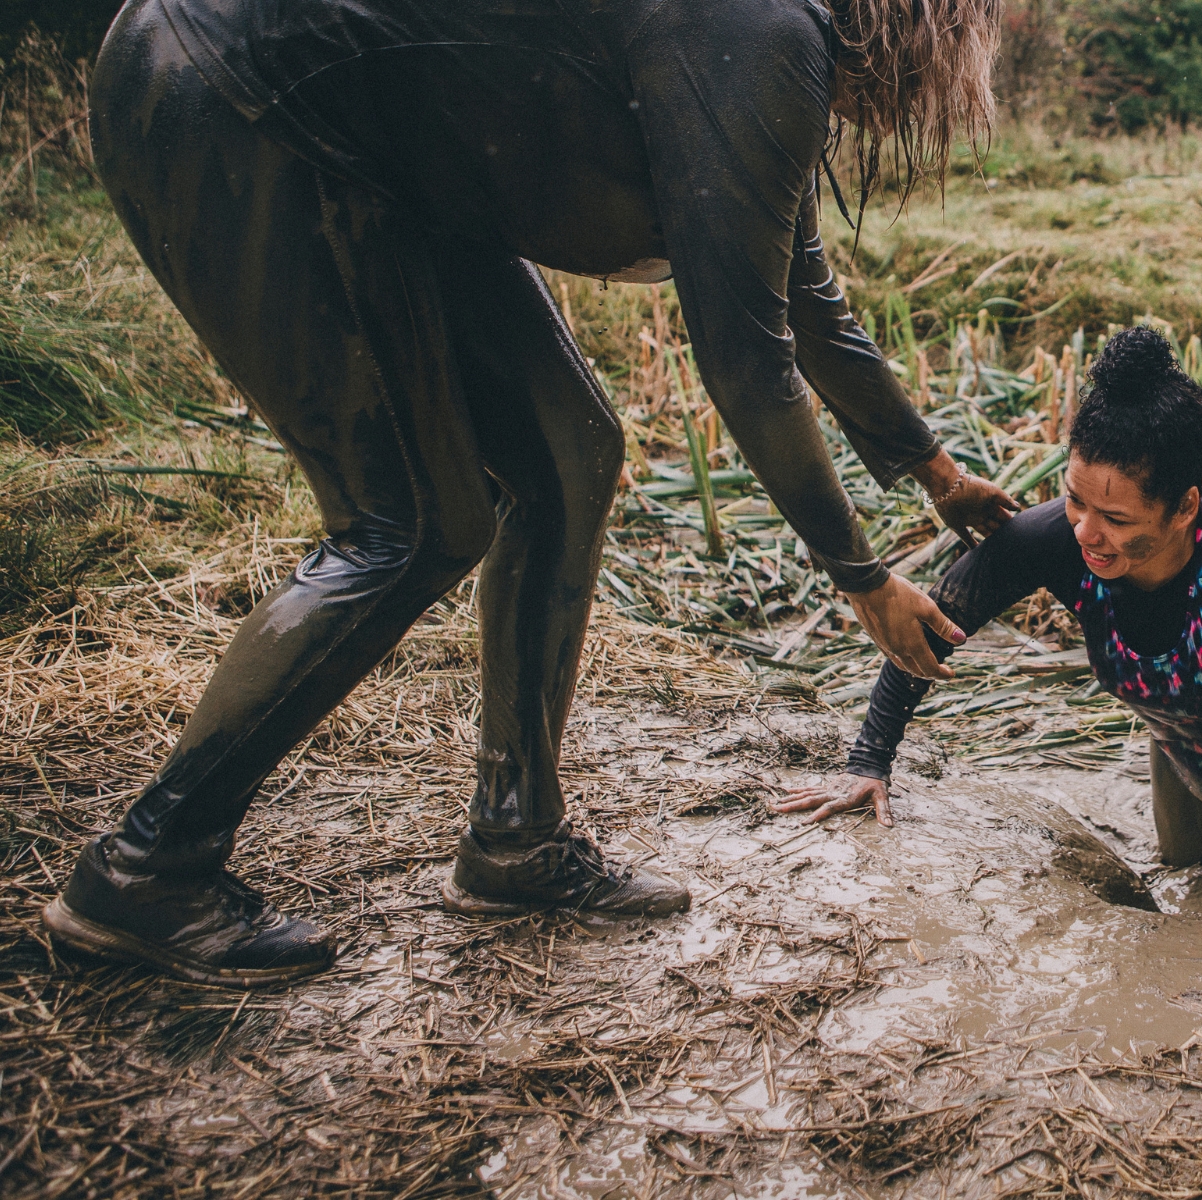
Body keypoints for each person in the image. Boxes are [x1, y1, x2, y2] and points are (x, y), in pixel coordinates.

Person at [42, 0, 1017, 987]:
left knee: (568, 453)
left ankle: (516, 839)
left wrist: (936, 471)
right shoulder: (760, 30)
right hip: (231, 95)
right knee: (412, 523)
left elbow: (805, 302)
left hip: (397, 158)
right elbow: (748, 364)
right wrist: (862, 578)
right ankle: (145, 872)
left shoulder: (759, 47)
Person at [775, 328, 1202, 977]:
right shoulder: (1055, 540)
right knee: (1185, 884)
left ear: (1184, 508)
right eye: (1074, 500)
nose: (1087, 534)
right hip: (1189, 747)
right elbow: (931, 626)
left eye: (1118, 520)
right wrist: (870, 762)